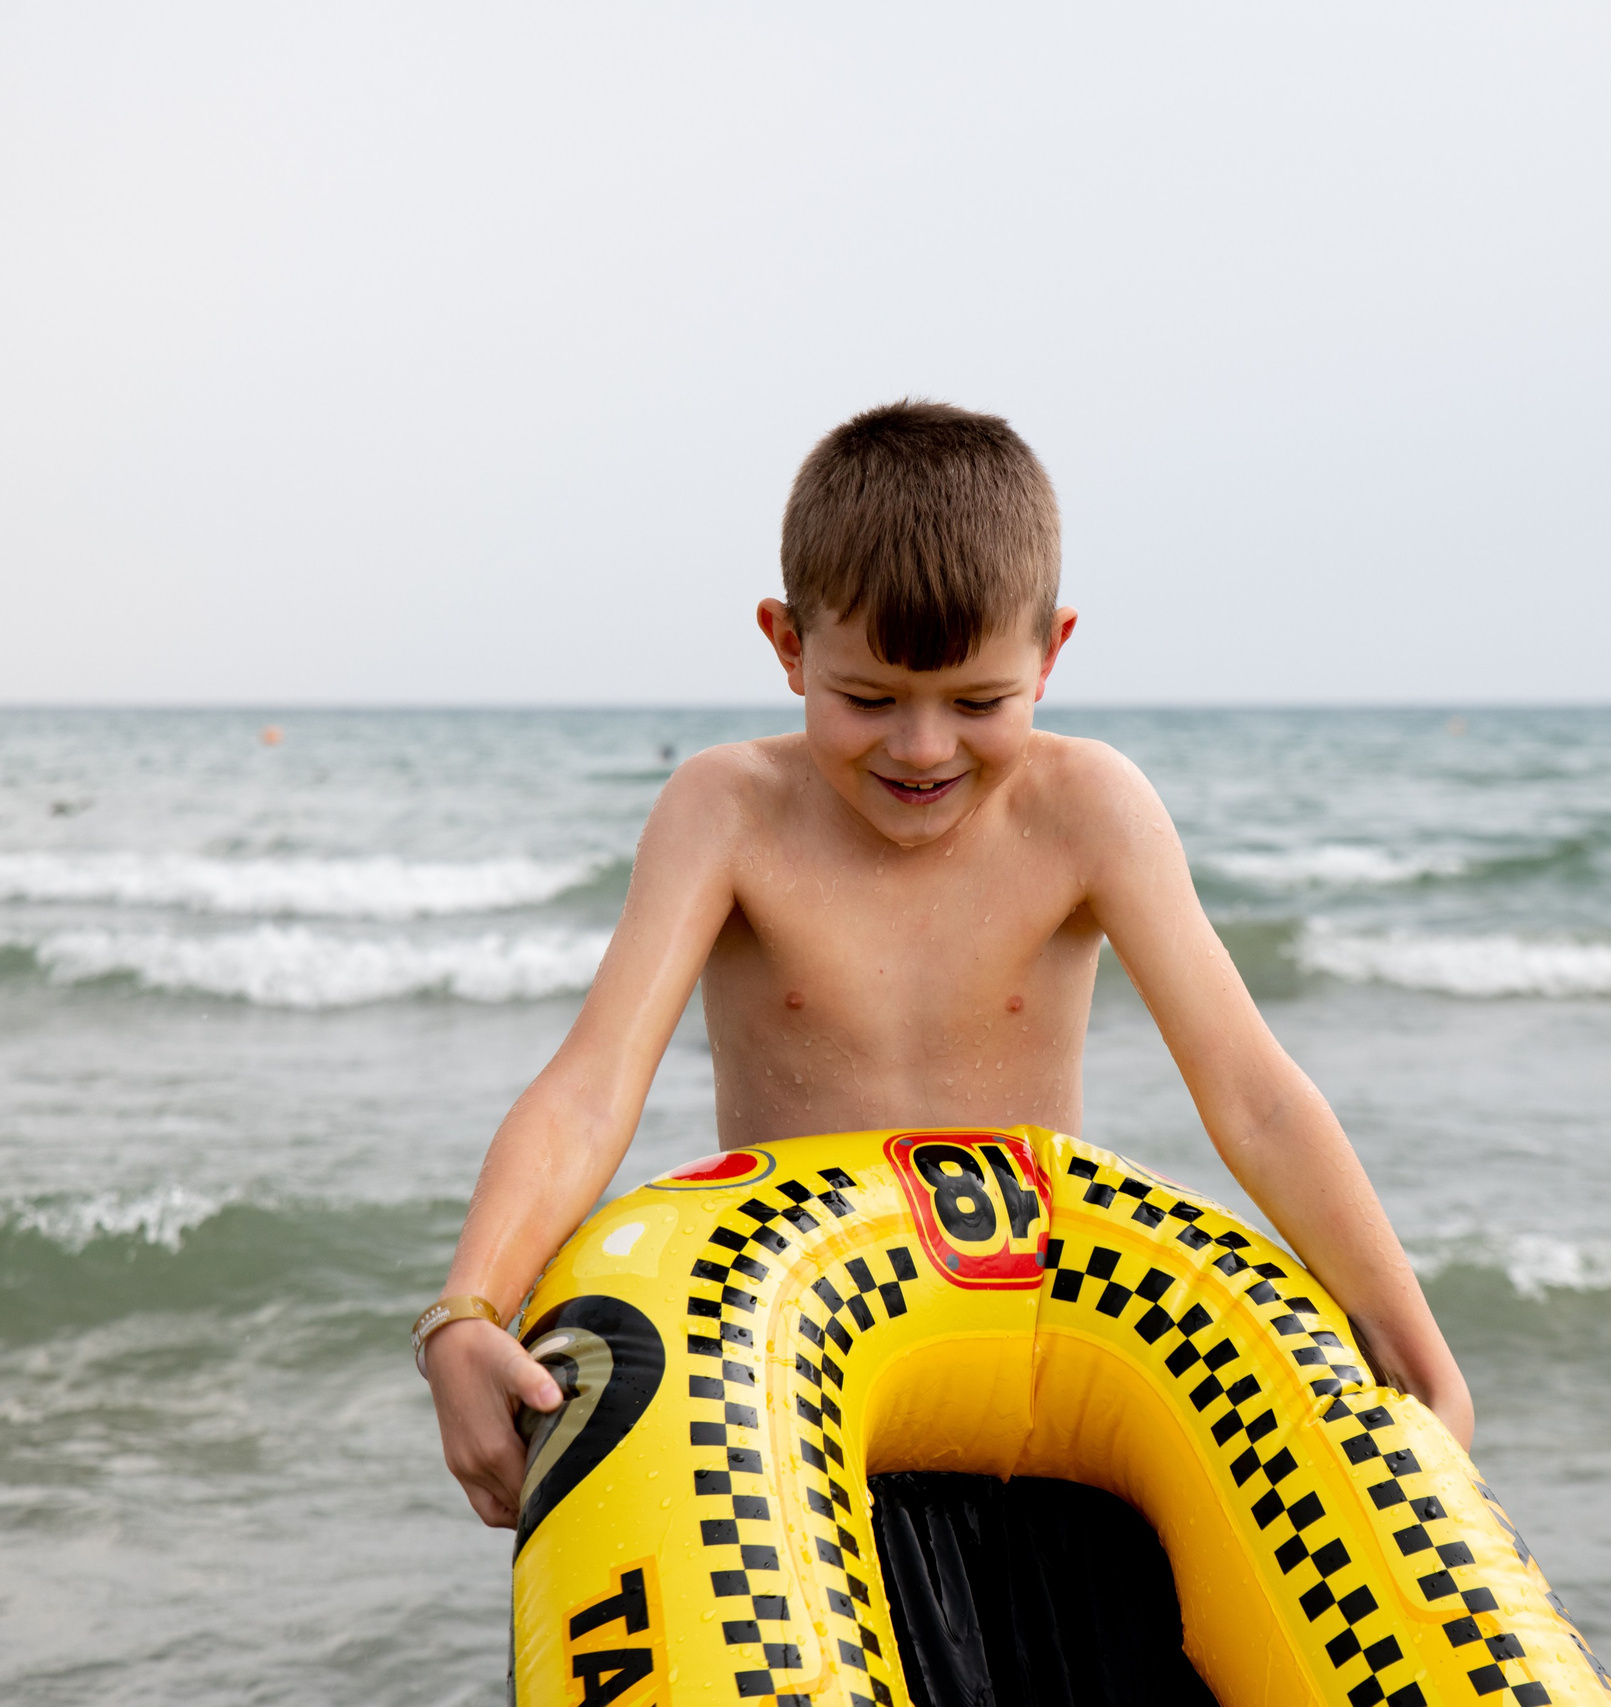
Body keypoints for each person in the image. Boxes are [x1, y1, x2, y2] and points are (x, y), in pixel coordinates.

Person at [422, 400, 1471, 1529]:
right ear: (786, 645)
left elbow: (1253, 1095)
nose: (922, 749)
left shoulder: (1088, 811)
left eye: (980, 703)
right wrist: (467, 1309)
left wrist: (1402, 1332)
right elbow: (592, 1087)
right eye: (867, 699)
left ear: (1051, 653)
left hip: (1035, 1347)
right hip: (807, 1352)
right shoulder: (725, 813)